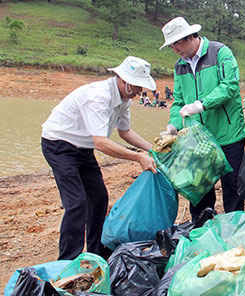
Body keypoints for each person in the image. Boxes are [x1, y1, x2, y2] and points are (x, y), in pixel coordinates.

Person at [41, 56, 158, 260]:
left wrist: (154, 149)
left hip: (83, 148)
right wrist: (138, 157)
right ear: (123, 80)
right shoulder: (99, 97)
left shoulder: (123, 99)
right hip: (59, 144)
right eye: (137, 86)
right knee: (76, 203)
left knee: (99, 198)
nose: (140, 92)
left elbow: (125, 132)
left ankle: (96, 252)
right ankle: (68, 260)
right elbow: (101, 143)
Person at [160, 16, 245, 219]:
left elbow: (230, 85)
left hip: (228, 133)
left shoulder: (220, 53)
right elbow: (179, 100)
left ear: (190, 37)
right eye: (172, 45)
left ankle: (235, 228)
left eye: (177, 44)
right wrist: (173, 123)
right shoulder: (179, 66)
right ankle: (202, 230)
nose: (175, 49)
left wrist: (202, 104)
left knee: (232, 186)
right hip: (199, 137)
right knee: (200, 187)